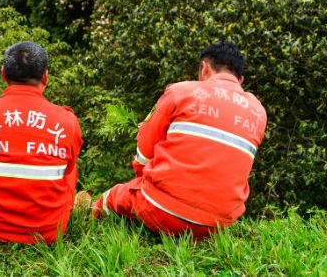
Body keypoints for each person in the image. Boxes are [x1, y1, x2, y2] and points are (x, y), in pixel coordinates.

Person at [91, 40, 267, 239]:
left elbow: (144, 151)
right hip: (217, 225)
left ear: (204, 67)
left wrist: (142, 179)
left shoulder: (181, 92)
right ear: (240, 80)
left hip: (161, 212)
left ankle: (87, 215)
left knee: (115, 196)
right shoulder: (259, 113)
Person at [0, 41, 83, 244]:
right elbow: (67, 170)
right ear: (45, 77)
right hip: (46, 234)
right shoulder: (67, 122)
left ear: (3, 74)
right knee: (70, 166)